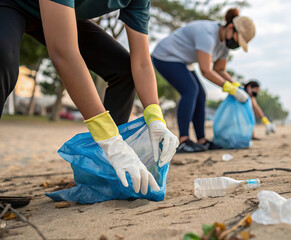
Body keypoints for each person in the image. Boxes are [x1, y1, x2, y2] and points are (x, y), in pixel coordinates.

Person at [0, 0, 179, 196]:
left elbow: (142, 63)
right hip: (12, 4)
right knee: (3, 60)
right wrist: (109, 138)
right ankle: (112, 148)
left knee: (124, 71)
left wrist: (155, 116)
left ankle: (106, 169)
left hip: (61, 13)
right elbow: (63, 53)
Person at [152, 8, 255, 153]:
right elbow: (206, 70)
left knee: (201, 95)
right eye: (237, 41)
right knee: (190, 90)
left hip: (184, 61)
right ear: (231, 28)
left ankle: (201, 140)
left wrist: (235, 85)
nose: (235, 45)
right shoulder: (207, 34)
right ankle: (183, 141)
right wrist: (230, 89)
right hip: (165, 56)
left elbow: (220, 70)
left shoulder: (225, 44)